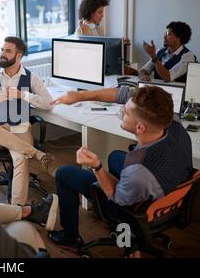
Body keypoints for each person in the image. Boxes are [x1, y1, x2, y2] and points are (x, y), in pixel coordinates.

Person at [47, 85, 192, 252]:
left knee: (65, 173)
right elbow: (123, 94)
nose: (121, 110)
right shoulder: (173, 124)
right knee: (115, 156)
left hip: (132, 208)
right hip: (169, 191)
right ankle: (123, 230)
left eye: (126, 112)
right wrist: (79, 96)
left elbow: (117, 197)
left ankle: (71, 237)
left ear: (140, 128)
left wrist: (97, 167)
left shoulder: (138, 171)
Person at [0, 36, 55, 206]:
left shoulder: (31, 78)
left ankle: (17, 210)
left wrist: (23, 95)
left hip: (20, 131)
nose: (2, 54)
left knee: (21, 159)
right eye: (2, 50)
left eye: (7, 51)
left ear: (19, 56)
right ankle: (37, 154)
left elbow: (49, 104)